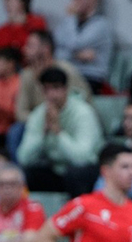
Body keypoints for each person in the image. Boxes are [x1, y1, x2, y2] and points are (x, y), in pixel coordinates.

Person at [16, 67, 104, 198]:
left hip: (86, 170)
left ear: (66, 89)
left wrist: (58, 132)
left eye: (56, 88)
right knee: (25, 174)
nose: (52, 95)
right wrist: (43, 134)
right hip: (55, 168)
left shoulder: (83, 112)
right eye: (47, 89)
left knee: (75, 174)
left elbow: (83, 158)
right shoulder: (39, 115)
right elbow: (23, 158)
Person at [15, 30, 92, 125]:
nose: (24, 49)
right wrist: (41, 121)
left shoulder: (67, 71)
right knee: (17, 130)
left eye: (30, 45)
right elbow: (20, 112)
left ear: (46, 49)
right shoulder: (27, 75)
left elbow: (82, 103)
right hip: (39, 124)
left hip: (69, 122)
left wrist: (56, 120)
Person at [53, 0, 114, 94]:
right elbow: (55, 51)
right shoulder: (67, 23)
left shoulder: (101, 25)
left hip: (91, 78)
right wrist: (77, 55)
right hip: (66, 75)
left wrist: (70, 17)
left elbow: (74, 44)